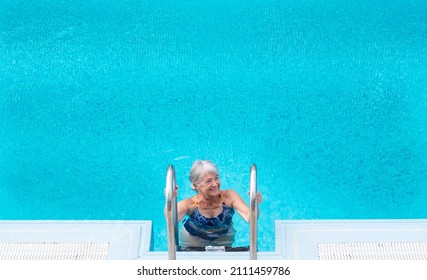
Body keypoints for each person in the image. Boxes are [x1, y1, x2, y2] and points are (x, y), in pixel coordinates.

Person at [165, 160, 262, 248]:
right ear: (196, 185)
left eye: (216, 178)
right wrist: (169, 199)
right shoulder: (190, 204)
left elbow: (250, 217)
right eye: (208, 181)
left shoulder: (229, 197)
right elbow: (170, 218)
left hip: (223, 237)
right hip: (193, 239)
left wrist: (255, 204)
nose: (215, 184)